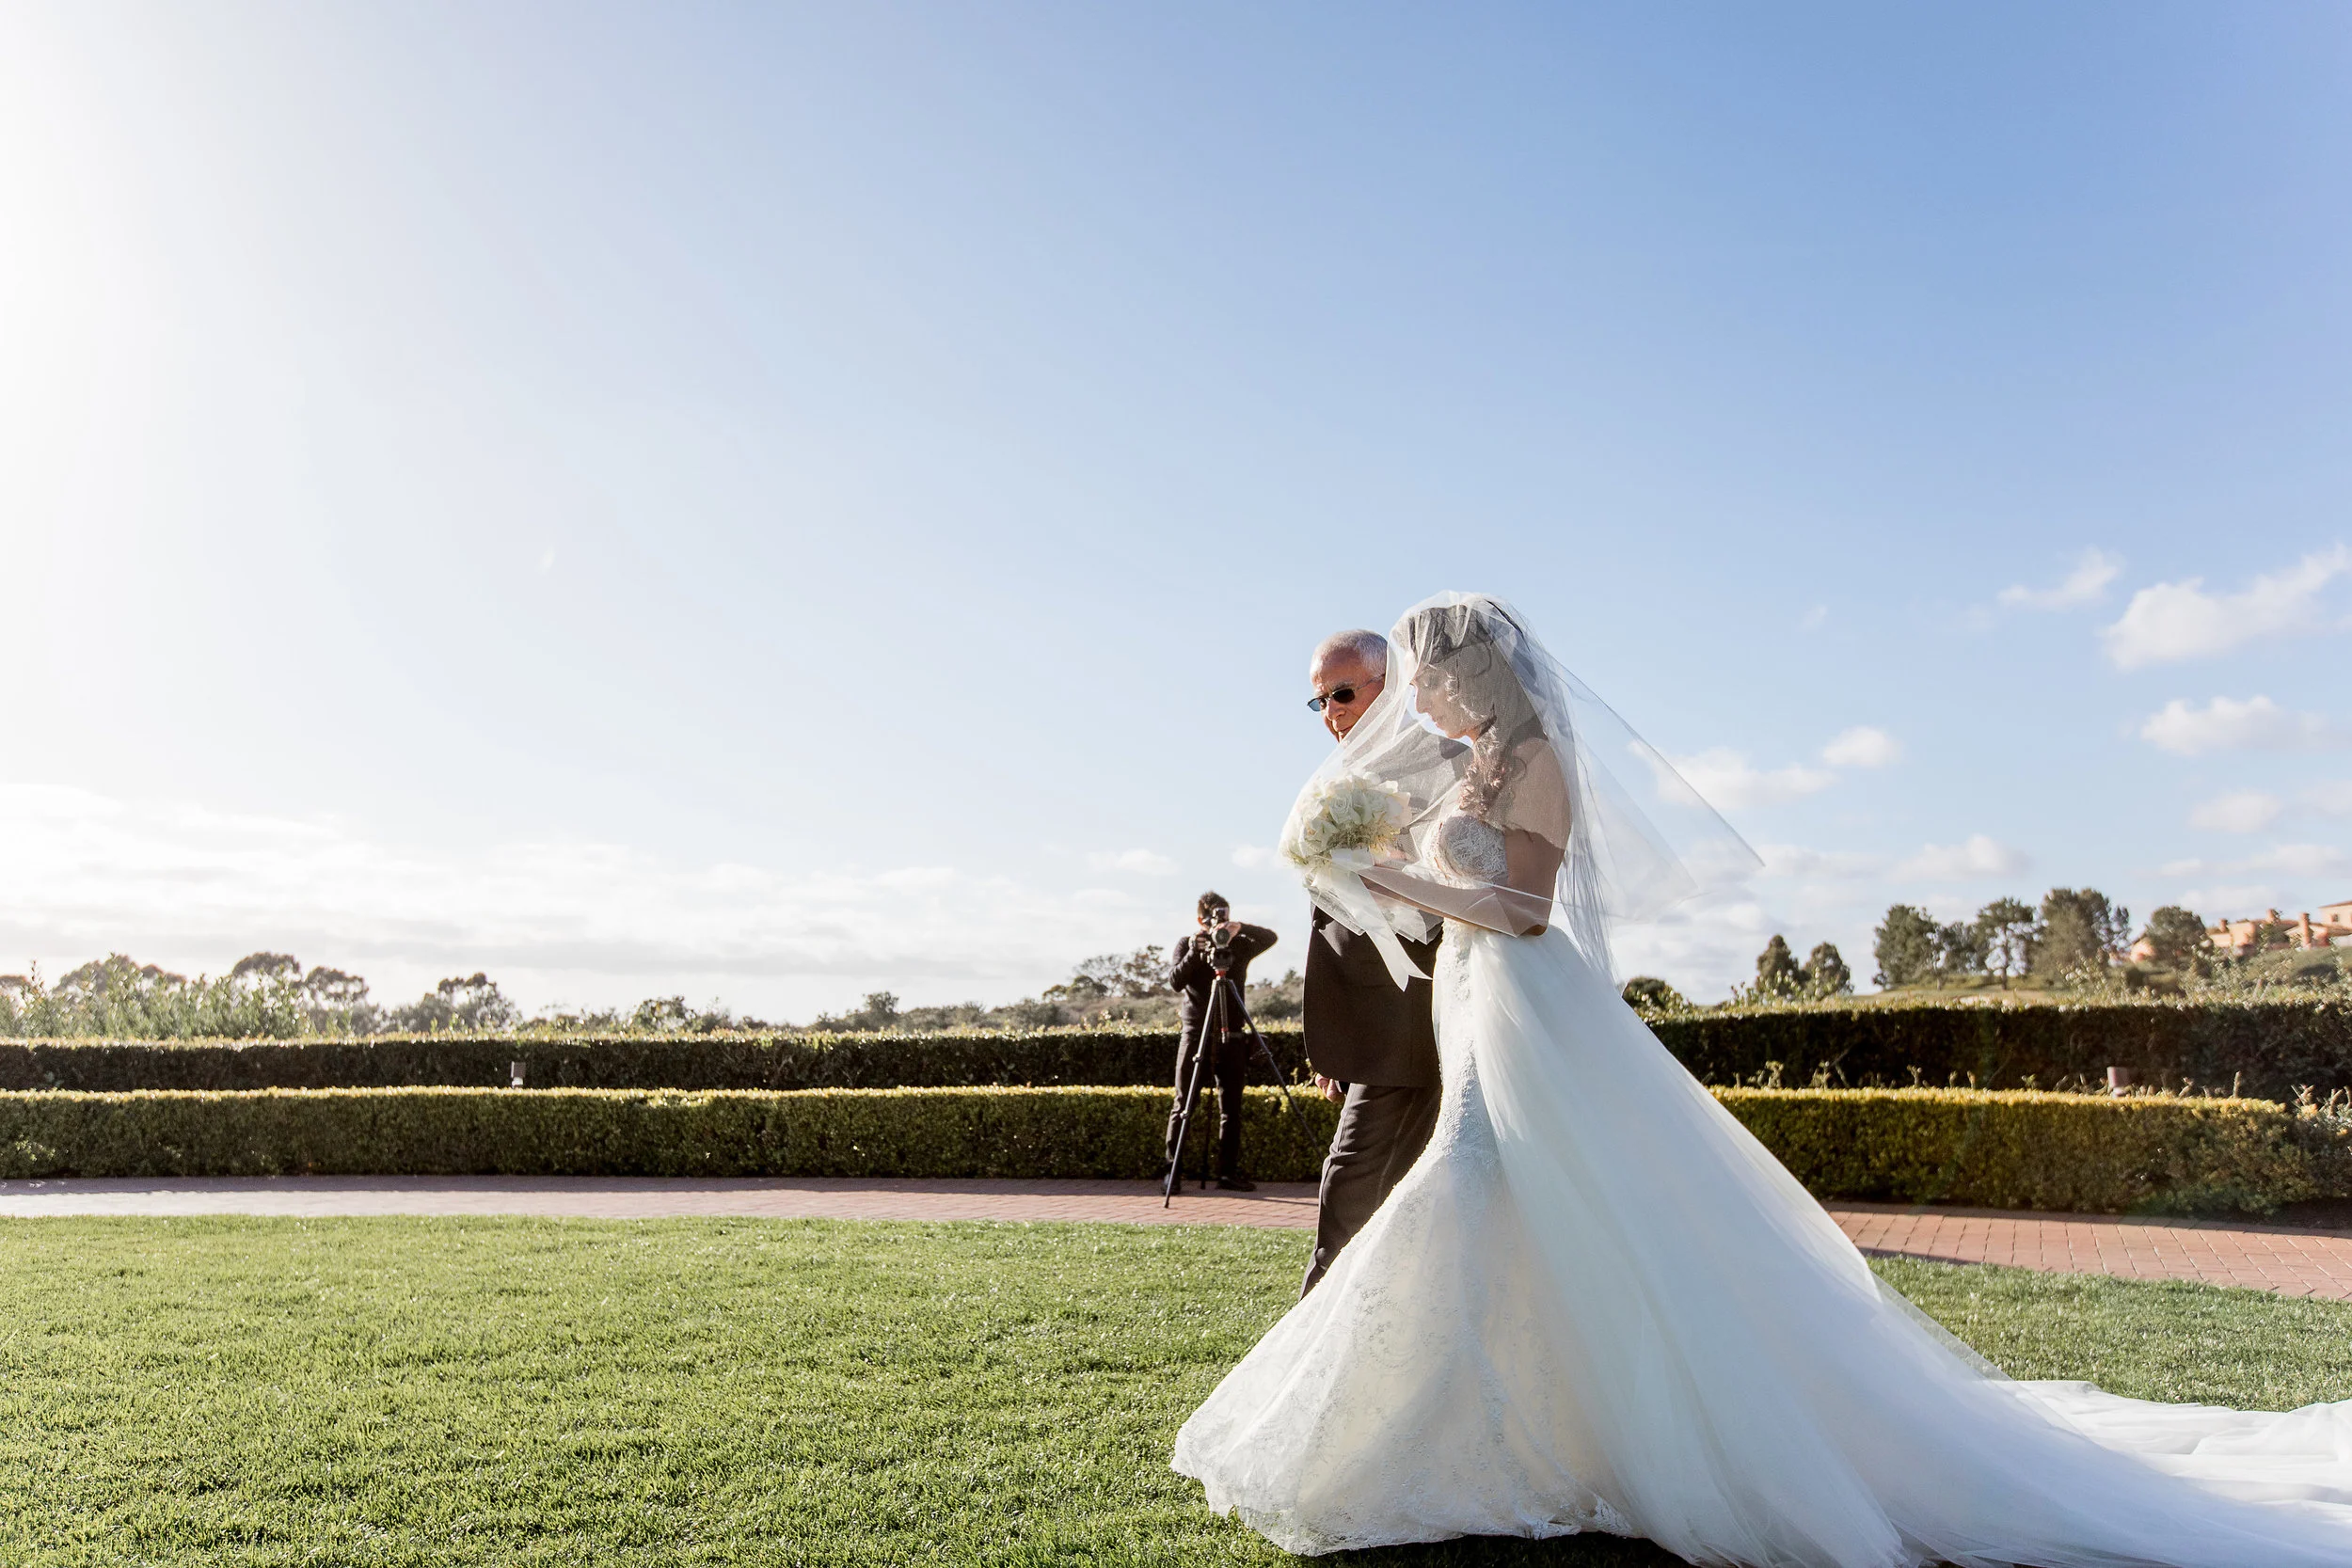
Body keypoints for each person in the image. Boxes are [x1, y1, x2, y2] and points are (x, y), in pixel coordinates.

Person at [1174, 592, 2352, 1564]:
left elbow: (1525, 911)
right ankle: (1511, 1431)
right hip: (1478, 1007)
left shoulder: (1533, 761)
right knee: (1514, 1205)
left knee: (1467, 1182)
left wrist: (1400, 887)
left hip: (1528, 1004)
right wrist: (1360, 861)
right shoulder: (1473, 763)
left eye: (1425, 672)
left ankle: (1404, 1439)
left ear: (1471, 666)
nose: (1414, 697)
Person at [1298, 628, 1443, 1295]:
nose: (1331, 713)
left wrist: (1394, 872)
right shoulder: (1338, 782)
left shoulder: (1444, 767)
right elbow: (1333, 922)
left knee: (1353, 1183)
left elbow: (1473, 893)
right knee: (1371, 1186)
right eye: (1319, 700)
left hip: (1422, 1014)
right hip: (1372, 1026)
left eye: (1344, 693)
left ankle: (1311, 1344)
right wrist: (1338, 1039)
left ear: (1391, 690)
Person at [1165, 891, 1277, 1192]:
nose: (1218, 924)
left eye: (1223, 917)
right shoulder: (1188, 944)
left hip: (1233, 1034)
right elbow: (1175, 981)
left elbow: (1270, 937)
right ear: (1200, 919)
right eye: (1212, 918)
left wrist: (1239, 928)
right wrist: (1195, 951)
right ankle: (1172, 1173)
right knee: (1184, 1104)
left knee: (1232, 1109)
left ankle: (1227, 1174)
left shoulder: (1237, 945)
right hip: (1196, 1033)